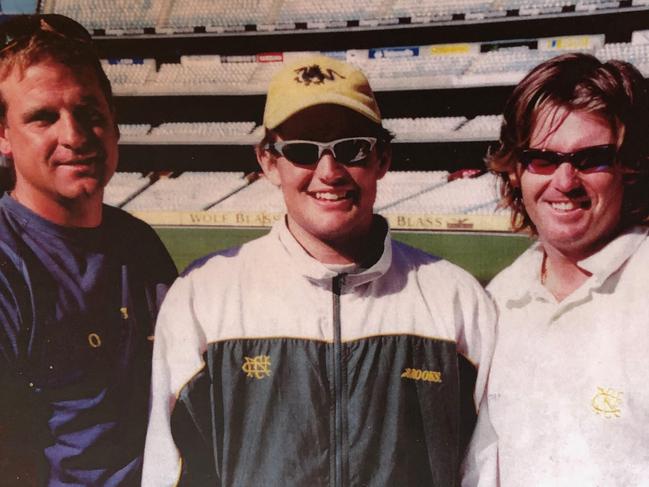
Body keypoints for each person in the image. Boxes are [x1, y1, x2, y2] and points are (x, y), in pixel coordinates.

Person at [143, 54, 496, 486]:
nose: (329, 173)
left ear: (383, 159)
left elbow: (486, 468)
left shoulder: (458, 301)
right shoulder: (203, 297)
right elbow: (170, 469)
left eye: (352, 149)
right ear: (269, 162)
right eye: (302, 151)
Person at [0, 14, 177, 486]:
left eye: (90, 114)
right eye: (42, 117)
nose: (74, 137)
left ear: (114, 126)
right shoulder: (7, 265)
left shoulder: (141, 247)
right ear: (3, 136)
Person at [462, 52, 649, 486]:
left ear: (630, 167)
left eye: (592, 158)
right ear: (515, 172)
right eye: (543, 159)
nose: (564, 181)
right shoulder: (496, 303)